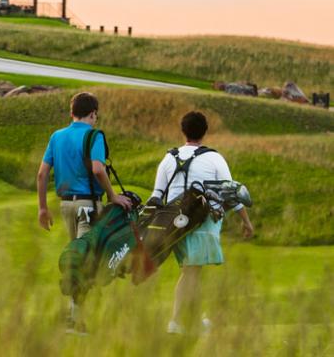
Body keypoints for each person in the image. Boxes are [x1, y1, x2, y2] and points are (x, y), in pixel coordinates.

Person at [150, 111, 253, 335]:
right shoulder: (214, 158)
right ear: (205, 131)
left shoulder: (169, 158)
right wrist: (246, 222)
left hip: (174, 224)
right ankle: (178, 321)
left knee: (191, 271)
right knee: (192, 272)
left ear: (183, 130)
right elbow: (231, 192)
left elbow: (157, 195)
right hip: (201, 223)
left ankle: (192, 320)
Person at [36, 92, 132, 332]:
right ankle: (75, 320)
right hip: (88, 205)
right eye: (95, 116)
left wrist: (42, 208)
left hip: (66, 205)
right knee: (85, 261)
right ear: (93, 114)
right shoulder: (94, 135)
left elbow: (42, 174)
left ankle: (74, 314)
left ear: (71, 113)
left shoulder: (56, 136)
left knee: (77, 258)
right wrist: (112, 196)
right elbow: (99, 169)